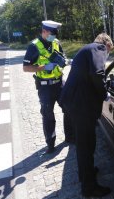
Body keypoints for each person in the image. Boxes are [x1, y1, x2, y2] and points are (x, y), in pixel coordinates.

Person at [59, 33, 113, 197]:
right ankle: (89, 188)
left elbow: (88, 76)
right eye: (109, 50)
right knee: (85, 146)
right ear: (107, 44)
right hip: (80, 107)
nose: (107, 54)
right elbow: (97, 73)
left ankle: (86, 173)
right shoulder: (98, 48)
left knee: (87, 143)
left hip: (75, 103)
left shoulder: (87, 50)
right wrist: (105, 93)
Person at [23, 20, 70, 154]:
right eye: (51, 34)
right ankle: (51, 144)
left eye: (55, 34)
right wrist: (44, 67)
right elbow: (25, 68)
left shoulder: (56, 42)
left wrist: (64, 61)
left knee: (69, 108)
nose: (53, 37)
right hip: (45, 88)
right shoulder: (33, 46)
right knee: (48, 116)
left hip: (59, 83)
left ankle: (70, 137)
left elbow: (62, 55)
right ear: (44, 31)